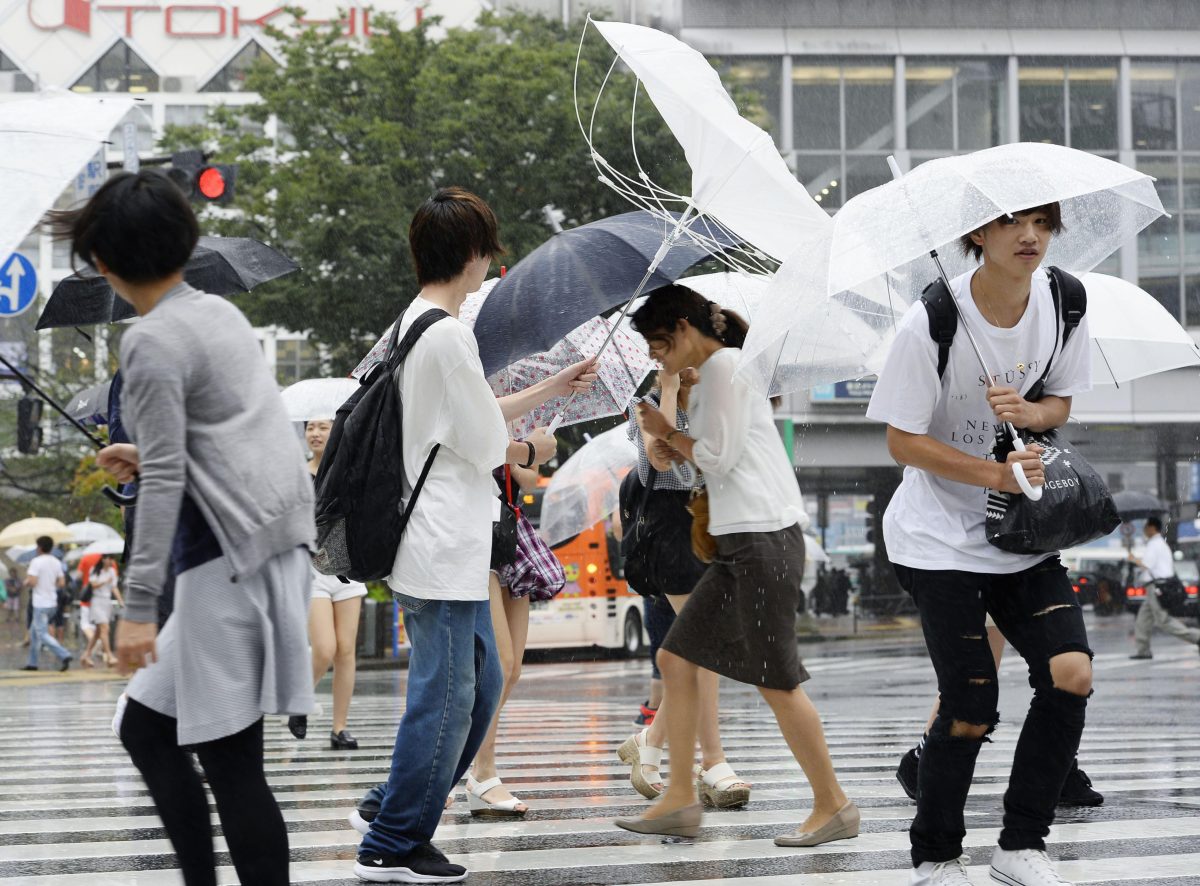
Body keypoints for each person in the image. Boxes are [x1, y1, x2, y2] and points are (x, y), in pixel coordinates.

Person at [60, 167, 316, 886]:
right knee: (146, 730)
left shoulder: (149, 341)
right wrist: (147, 454)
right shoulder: (217, 314)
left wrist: (138, 609)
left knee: (232, 764)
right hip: (263, 549)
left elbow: (169, 481)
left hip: (223, 564)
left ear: (104, 264)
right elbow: (225, 434)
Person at [866, 204, 1095, 886]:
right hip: (935, 539)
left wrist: (1031, 413)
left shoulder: (1065, 301)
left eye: (1043, 224)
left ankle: (1022, 844)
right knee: (969, 707)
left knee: (1072, 673)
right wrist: (994, 471)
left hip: (1020, 532)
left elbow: (1061, 403)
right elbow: (901, 440)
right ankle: (935, 856)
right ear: (978, 235)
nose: (1030, 237)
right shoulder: (929, 322)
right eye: (1011, 223)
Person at [353, 187, 571, 883]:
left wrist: (550, 388)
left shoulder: (423, 323)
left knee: (476, 683)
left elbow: (471, 415)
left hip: (444, 540)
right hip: (441, 542)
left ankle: (393, 803)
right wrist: (532, 449)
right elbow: (483, 442)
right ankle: (392, 840)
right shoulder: (446, 335)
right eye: (488, 251)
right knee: (446, 695)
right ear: (474, 257)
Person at [615, 285, 857, 847]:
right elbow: (719, 453)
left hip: (762, 541)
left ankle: (834, 804)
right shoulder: (717, 372)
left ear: (680, 328)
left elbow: (717, 457)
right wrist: (673, 432)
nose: (659, 359)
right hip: (738, 543)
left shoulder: (723, 366)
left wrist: (664, 429)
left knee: (777, 680)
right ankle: (678, 797)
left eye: (658, 347)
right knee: (677, 658)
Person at [617, 368, 751, 809]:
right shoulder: (647, 408)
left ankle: (651, 743)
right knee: (706, 647)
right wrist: (670, 386)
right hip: (672, 540)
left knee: (699, 654)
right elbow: (665, 465)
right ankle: (712, 763)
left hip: (709, 532)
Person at [895, 620, 1103, 807]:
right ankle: (919, 758)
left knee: (1067, 666)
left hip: (1031, 578)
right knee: (972, 679)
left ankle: (1061, 769)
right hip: (985, 579)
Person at [288, 418, 368, 750]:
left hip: (347, 568)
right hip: (312, 571)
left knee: (346, 651)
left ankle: (339, 729)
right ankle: (300, 701)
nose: (316, 433)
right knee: (325, 648)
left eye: (324, 427)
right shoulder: (296, 476)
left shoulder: (348, 470)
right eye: (311, 428)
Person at [1129, 516, 1200, 659]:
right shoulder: (1161, 544)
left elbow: (1146, 565)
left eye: (1145, 527)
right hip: (1157, 586)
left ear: (1151, 528)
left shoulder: (1154, 544)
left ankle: (1196, 637)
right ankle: (1143, 650)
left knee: (1163, 621)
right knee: (1143, 619)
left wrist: (1133, 559)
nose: (1144, 530)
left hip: (1157, 587)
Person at [20, 536, 72, 672]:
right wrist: (49, 583)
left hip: (40, 603)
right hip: (52, 603)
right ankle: (32, 663)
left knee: (41, 633)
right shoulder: (56, 562)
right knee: (34, 633)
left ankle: (64, 654)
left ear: (40, 547)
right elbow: (61, 583)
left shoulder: (36, 562)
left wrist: (26, 582)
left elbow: (32, 582)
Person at [82, 555, 123, 668]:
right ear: (103, 559)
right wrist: (105, 581)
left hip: (106, 602)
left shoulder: (112, 571)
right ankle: (109, 656)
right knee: (105, 628)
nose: (110, 561)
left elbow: (114, 587)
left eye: (112, 559)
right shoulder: (95, 571)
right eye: (109, 559)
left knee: (98, 633)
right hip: (96, 602)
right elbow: (93, 585)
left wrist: (120, 601)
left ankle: (86, 655)